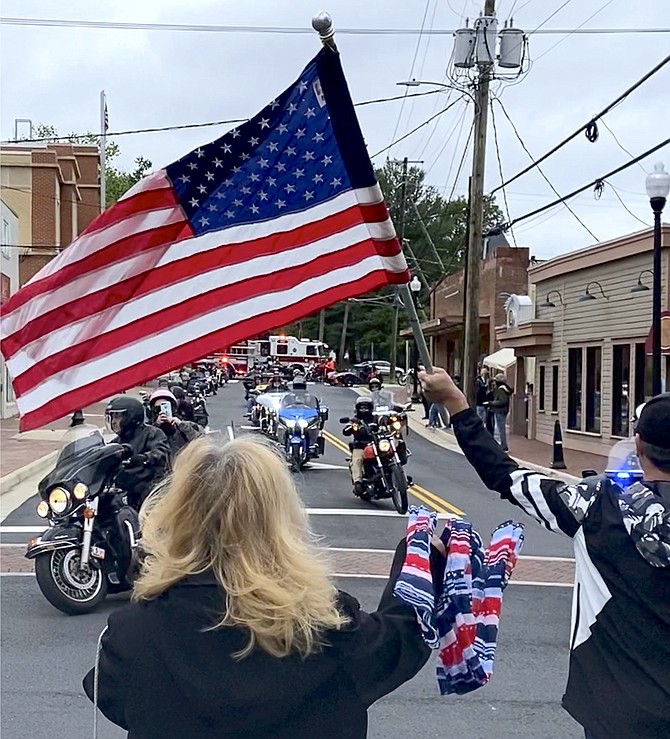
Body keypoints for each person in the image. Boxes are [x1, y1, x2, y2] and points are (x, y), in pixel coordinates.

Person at [83, 436, 440, 739]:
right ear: (279, 519)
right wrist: (420, 557)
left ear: (178, 514)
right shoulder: (325, 626)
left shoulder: (131, 634)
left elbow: (112, 696)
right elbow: (402, 636)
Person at [419, 368, 670, 739]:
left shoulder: (596, 504)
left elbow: (505, 475)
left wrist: (455, 402)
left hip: (617, 708)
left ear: (638, 445)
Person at [105, 396, 171, 509]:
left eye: (117, 416)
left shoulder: (152, 433)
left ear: (131, 417)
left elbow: (161, 452)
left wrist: (144, 458)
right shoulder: (117, 442)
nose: (114, 421)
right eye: (112, 416)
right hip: (124, 490)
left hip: (147, 489)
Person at [149, 389, 203, 459]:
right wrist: (156, 425)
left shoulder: (185, 425)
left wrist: (180, 424)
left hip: (182, 465)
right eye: (158, 408)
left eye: (165, 407)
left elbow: (200, 441)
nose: (162, 411)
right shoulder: (149, 429)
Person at [343, 398, 376, 497]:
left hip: (376, 445)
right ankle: (358, 482)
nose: (364, 410)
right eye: (362, 408)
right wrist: (351, 428)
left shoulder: (376, 418)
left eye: (366, 407)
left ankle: (400, 477)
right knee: (357, 460)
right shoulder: (355, 420)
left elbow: (386, 423)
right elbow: (346, 431)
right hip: (361, 446)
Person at [487, 372, 512, 452]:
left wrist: (491, 403)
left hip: (500, 411)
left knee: (501, 429)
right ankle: (503, 445)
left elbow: (502, 401)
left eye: (495, 381)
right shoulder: (503, 389)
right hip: (501, 411)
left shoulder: (501, 390)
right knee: (501, 429)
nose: (494, 382)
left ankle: (504, 446)